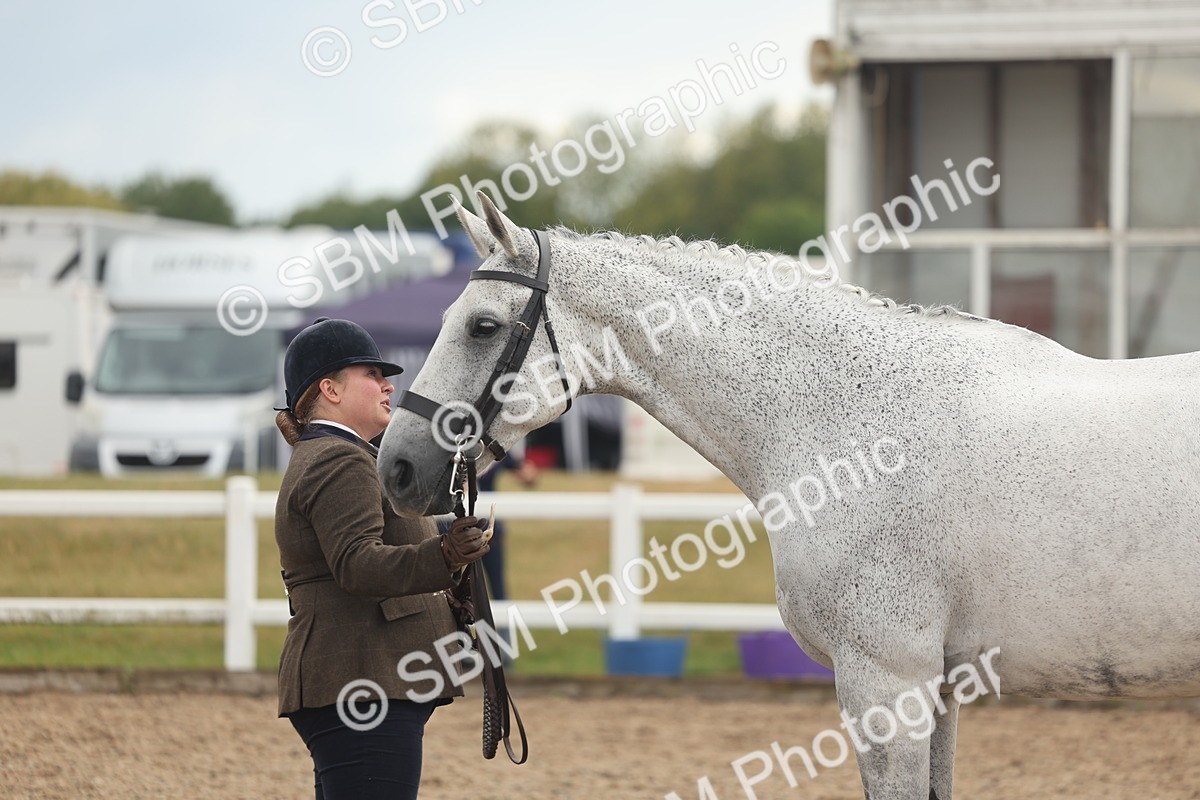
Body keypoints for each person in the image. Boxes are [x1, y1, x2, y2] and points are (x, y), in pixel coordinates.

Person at [273, 317, 489, 800]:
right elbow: (358, 564)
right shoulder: (338, 459)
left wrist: (447, 563)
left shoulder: (345, 455)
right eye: (371, 374)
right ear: (329, 389)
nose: (388, 385)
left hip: (364, 678)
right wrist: (445, 553)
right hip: (363, 678)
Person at [477, 453, 539, 600]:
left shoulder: (493, 447)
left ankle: (505, 623)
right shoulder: (455, 448)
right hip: (455, 527)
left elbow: (527, 475)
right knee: (466, 589)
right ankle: (476, 623)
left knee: (498, 587)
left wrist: (527, 473)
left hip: (490, 527)